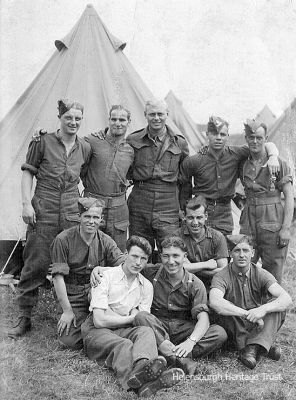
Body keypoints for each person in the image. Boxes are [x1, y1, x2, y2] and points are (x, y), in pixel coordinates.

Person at [8, 99, 91, 339]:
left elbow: (83, 177)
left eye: (77, 118)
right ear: (60, 118)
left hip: (70, 210)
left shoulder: (84, 147)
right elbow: (28, 173)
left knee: (70, 262)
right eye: (68, 118)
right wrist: (26, 204)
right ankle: (24, 317)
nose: (73, 122)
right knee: (35, 262)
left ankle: (71, 311)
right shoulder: (42, 141)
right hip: (44, 206)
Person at [81, 236, 184, 397]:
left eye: (143, 259)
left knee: (146, 332)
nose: (138, 262)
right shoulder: (105, 276)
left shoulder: (146, 286)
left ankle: (143, 374)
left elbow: (140, 319)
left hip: (121, 328)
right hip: (96, 332)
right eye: (135, 256)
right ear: (125, 253)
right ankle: (142, 382)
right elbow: (99, 320)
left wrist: (118, 315)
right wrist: (130, 317)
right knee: (125, 345)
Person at [133, 236, 227, 374]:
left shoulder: (195, 283)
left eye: (176, 256)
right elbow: (126, 266)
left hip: (183, 328)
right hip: (158, 326)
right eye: (166, 256)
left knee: (219, 333)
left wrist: (191, 342)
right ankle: (180, 359)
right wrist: (99, 269)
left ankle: (167, 353)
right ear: (160, 257)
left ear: (185, 256)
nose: (171, 262)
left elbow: (203, 318)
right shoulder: (150, 272)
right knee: (141, 316)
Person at [179, 116, 280, 235]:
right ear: (207, 134)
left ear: (227, 136)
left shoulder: (236, 154)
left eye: (222, 134)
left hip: (224, 214)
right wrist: (183, 210)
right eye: (214, 134)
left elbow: (263, 145)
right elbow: (182, 186)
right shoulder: (194, 161)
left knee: (224, 249)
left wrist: (273, 156)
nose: (218, 138)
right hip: (201, 212)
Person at [50, 197, 125, 349]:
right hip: (73, 295)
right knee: (68, 342)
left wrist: (101, 269)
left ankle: (97, 326)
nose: (91, 221)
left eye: (96, 217)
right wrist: (67, 311)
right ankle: (96, 328)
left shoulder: (106, 241)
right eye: (87, 217)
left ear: (101, 219)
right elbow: (58, 278)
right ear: (79, 217)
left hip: (97, 293)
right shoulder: (63, 240)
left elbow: (124, 266)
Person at [209, 235, 292, 369]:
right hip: (236, 324)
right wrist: (246, 313)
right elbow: (215, 302)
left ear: (252, 253)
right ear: (230, 254)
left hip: (256, 322)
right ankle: (263, 345)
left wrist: (262, 310)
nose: (242, 255)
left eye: (245, 250)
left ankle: (252, 347)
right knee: (225, 308)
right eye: (237, 251)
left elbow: (286, 298)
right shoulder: (221, 275)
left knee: (278, 306)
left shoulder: (260, 273)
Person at [126, 99, 190, 255]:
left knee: (170, 250)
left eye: (160, 114)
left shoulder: (179, 143)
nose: (156, 118)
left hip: (168, 202)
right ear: (145, 115)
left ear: (167, 114)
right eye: (152, 114)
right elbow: (126, 171)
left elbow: (185, 180)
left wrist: (183, 207)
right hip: (140, 200)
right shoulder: (133, 140)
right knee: (139, 250)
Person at [239, 119, 294, 283]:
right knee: (245, 269)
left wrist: (285, 229)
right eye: (251, 137)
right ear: (246, 138)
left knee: (273, 273)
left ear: (266, 138)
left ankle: (276, 309)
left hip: (272, 222)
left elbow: (289, 197)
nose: (255, 141)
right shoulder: (242, 162)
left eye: (259, 138)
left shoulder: (279, 163)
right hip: (248, 221)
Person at [82, 105, 134, 251]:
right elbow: (72, 149)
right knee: (89, 249)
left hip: (119, 210)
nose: (118, 123)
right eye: (114, 119)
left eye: (122, 120)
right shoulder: (91, 141)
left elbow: (133, 174)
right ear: (108, 120)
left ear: (129, 122)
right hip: (93, 205)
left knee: (116, 251)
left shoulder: (131, 148)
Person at [176, 195, 228, 290]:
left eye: (199, 217)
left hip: (212, 286)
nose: (195, 223)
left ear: (206, 216)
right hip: (184, 286)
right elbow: (176, 268)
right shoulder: (177, 237)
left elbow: (223, 271)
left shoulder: (218, 237)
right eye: (191, 217)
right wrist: (207, 265)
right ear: (184, 217)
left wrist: (191, 267)